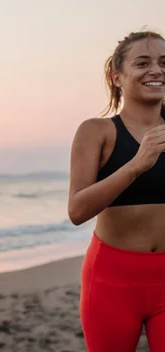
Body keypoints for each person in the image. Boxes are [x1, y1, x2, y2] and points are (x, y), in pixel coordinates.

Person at [68, 30, 165, 351]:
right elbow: (77, 211)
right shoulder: (96, 131)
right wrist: (138, 164)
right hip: (111, 280)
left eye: (163, 63)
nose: (156, 70)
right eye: (142, 63)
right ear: (117, 76)